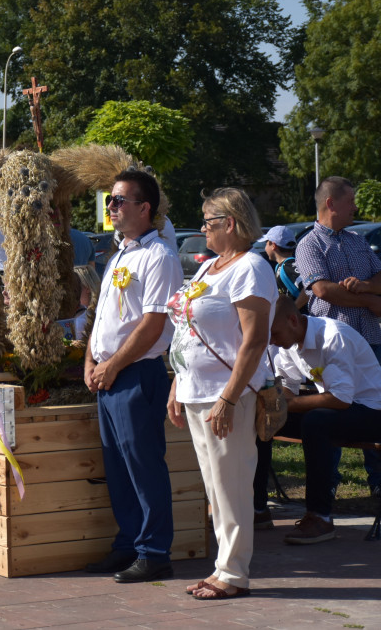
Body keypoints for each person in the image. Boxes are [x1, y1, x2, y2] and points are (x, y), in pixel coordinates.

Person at [167, 187, 276, 600]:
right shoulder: (209, 266)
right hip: (196, 391)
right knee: (214, 487)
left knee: (230, 486)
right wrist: (178, 383)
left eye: (208, 222)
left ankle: (232, 573)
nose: (202, 229)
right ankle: (222, 568)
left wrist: (229, 398)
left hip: (226, 394)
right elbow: (187, 330)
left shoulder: (250, 267)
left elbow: (254, 339)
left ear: (229, 223)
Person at [83, 167, 182, 583]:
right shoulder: (120, 252)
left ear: (145, 208)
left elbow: (154, 323)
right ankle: (128, 545)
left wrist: (113, 364)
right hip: (108, 374)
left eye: (119, 200)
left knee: (143, 466)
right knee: (119, 468)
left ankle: (154, 551)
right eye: (110, 200)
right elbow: (102, 317)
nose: (112, 207)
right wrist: (90, 361)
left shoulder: (159, 256)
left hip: (137, 373)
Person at [268, 296, 381, 543]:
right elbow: (288, 386)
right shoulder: (290, 343)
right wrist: (276, 409)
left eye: (274, 334)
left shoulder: (332, 336)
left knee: (316, 422)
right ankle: (256, 509)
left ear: (292, 320)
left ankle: (320, 517)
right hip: (345, 409)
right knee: (264, 420)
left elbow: (341, 399)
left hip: (373, 412)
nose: (271, 341)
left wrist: (288, 405)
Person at [295, 176, 381, 498]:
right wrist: (371, 300)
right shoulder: (309, 245)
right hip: (333, 348)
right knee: (332, 412)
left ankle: (378, 484)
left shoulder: (358, 240)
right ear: (331, 204)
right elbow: (322, 290)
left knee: (375, 408)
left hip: (370, 342)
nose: (355, 207)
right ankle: (326, 486)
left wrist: (365, 286)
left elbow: (380, 277)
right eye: (350, 201)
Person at [252, 225, 307, 529]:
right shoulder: (297, 263)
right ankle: (257, 507)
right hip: (288, 354)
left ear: (272, 244)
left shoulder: (277, 271)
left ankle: (258, 507)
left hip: (293, 348)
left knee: (262, 426)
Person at [260, 225, 307, 311]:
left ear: (273, 245)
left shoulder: (288, 266)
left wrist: (294, 309)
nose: (265, 248)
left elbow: (308, 288)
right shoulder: (281, 266)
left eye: (266, 243)